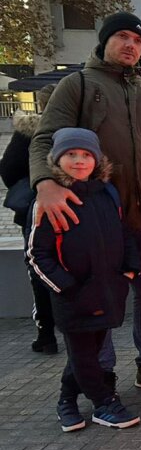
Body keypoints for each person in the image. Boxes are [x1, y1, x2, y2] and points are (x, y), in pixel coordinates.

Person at [29, 11, 141, 396]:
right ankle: (100, 374)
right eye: (122, 38)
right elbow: (44, 139)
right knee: (97, 289)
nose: (131, 45)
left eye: (138, 41)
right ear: (104, 42)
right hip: (95, 214)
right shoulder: (78, 84)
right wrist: (45, 184)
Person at [27, 128, 141, 430]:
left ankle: (66, 400)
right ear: (58, 159)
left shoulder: (107, 192)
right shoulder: (50, 201)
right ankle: (104, 403)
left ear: (96, 159)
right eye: (71, 154)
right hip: (72, 297)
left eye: (86, 155)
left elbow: (123, 233)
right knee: (84, 355)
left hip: (107, 291)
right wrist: (66, 286)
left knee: (85, 354)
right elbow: (38, 254)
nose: (79, 161)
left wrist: (129, 270)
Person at [1, 87, 57, 354]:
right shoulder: (76, 131)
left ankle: (46, 334)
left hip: (35, 213)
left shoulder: (28, 131)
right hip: (75, 211)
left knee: (38, 269)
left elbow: (8, 169)